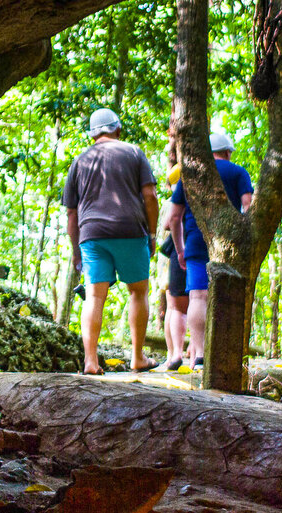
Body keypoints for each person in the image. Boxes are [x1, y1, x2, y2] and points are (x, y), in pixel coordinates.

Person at [62, 108, 159, 375]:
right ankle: (138, 358)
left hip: (92, 233)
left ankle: (90, 362)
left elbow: (71, 213)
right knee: (138, 292)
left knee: (94, 295)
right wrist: (152, 234)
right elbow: (150, 196)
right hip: (130, 230)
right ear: (118, 129)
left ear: (92, 134)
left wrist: (76, 251)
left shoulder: (79, 160)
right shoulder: (134, 152)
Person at [169, 130, 253, 369]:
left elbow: (174, 217)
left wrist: (180, 248)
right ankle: (226, 354)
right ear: (227, 152)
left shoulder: (190, 175)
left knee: (198, 296)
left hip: (196, 241)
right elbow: (248, 205)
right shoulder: (238, 172)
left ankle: (200, 354)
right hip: (229, 242)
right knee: (227, 296)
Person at [157, 164, 188, 371]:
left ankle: (172, 353)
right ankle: (173, 353)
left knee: (173, 307)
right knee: (175, 306)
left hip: (168, 258)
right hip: (174, 257)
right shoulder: (174, 203)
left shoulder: (169, 202)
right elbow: (169, 224)